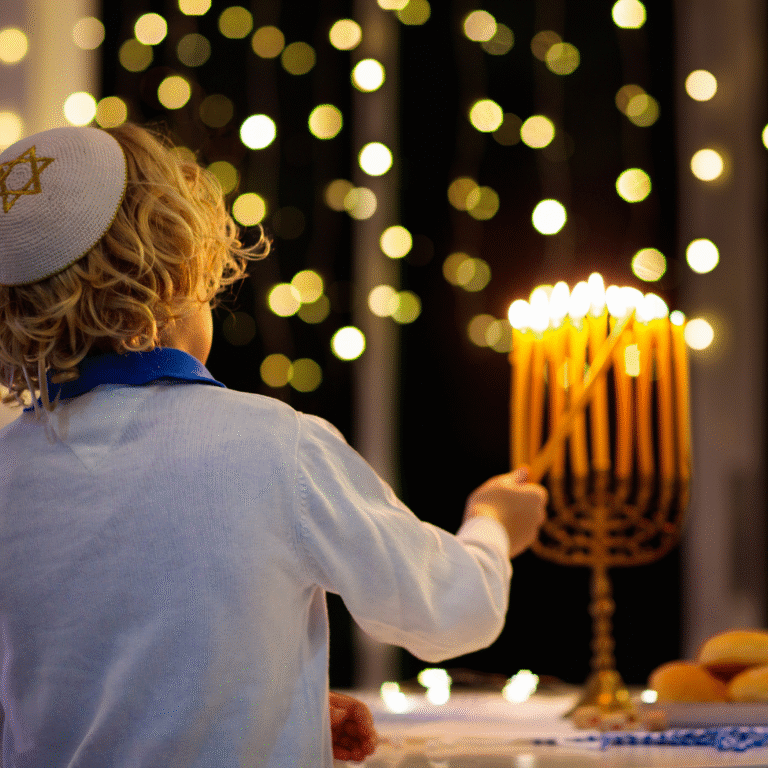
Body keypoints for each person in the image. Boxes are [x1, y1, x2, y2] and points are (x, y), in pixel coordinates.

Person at [0, 123, 547, 767]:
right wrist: (490, 527)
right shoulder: (273, 447)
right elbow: (452, 610)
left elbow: (67, 688)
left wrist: (262, 701)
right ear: (181, 269)